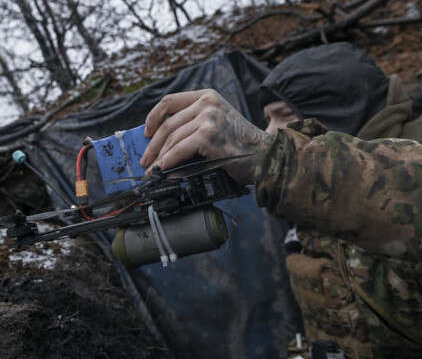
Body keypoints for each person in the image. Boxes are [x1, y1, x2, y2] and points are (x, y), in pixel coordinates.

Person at [141, 43, 422, 358]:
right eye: (267, 118)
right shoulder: (307, 197)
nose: (270, 130)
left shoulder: (402, 161)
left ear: (341, 110)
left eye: (284, 116)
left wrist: (272, 159)